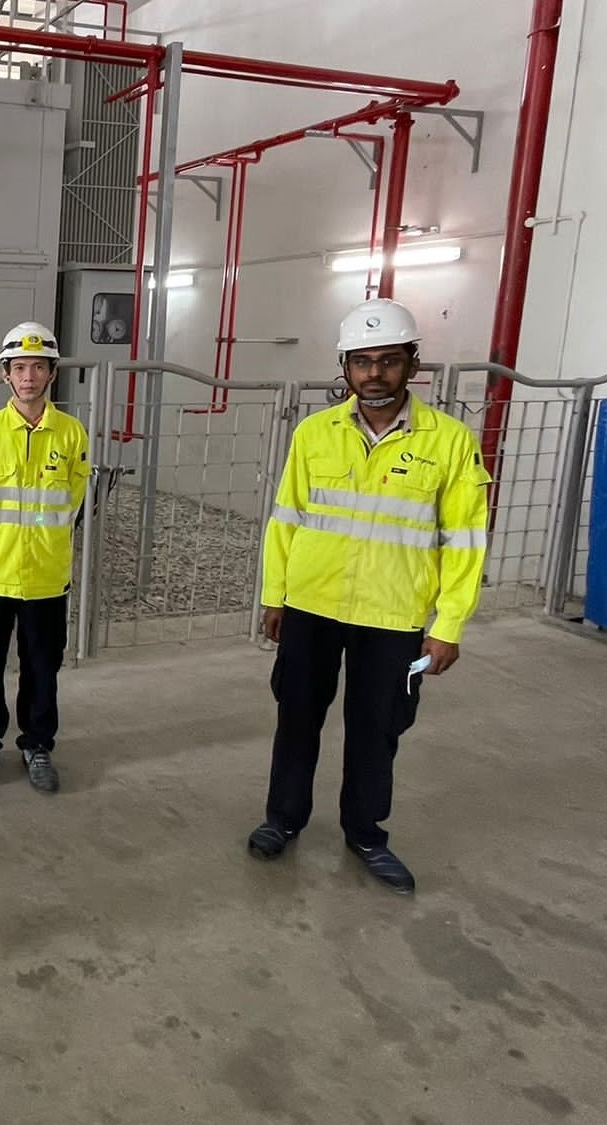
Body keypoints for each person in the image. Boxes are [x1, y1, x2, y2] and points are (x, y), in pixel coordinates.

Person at [247, 298, 490, 894]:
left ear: (411, 362)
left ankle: (365, 833)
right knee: (297, 717)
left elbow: (465, 542)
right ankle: (283, 819)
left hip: (394, 614)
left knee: (377, 728)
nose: (374, 374)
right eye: (361, 362)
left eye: (387, 361)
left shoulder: (450, 443)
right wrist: (274, 596)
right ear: (345, 368)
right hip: (312, 605)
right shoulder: (314, 435)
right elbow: (286, 520)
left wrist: (449, 624)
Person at [0, 322, 90, 792]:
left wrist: (39, 546)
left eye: (37, 367)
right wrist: (4, 544)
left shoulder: (72, 436)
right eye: (19, 368)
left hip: (47, 578)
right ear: (5, 374)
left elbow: (70, 505)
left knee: (42, 666)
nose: (28, 376)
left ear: (52, 373)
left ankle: (37, 744)